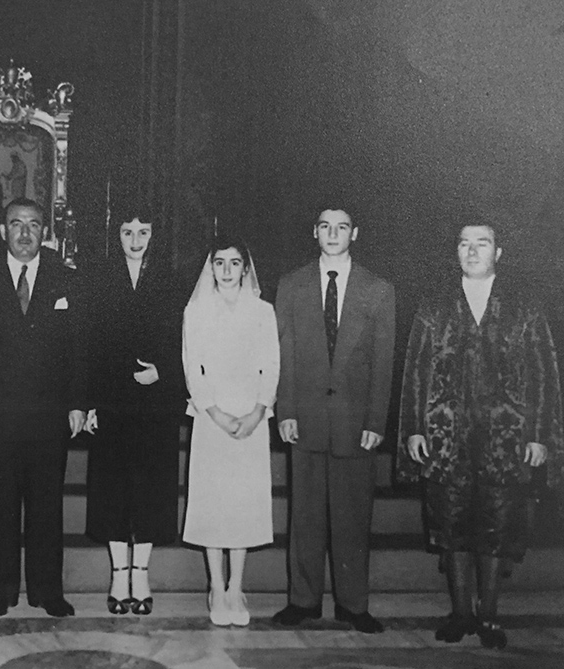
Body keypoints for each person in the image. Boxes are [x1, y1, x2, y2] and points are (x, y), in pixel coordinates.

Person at [397, 220, 563, 649]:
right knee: (450, 526)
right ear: (455, 252)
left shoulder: (524, 307)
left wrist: (540, 436)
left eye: (482, 243)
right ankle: (461, 614)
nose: (472, 252)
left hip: (505, 440)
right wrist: (414, 429)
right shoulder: (433, 306)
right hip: (444, 438)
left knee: (495, 526)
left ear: (498, 253)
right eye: (464, 244)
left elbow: (545, 376)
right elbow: (415, 371)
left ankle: (488, 616)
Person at [0, 198, 88, 617]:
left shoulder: (66, 281)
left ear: (44, 230)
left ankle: (48, 591)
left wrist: (79, 403)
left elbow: (80, 350)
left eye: (33, 224)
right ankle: (1, 589)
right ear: (2, 231)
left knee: (47, 507)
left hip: (49, 415)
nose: (25, 233)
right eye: (16, 224)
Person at [273, 207, 395, 633]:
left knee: (352, 517)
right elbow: (284, 355)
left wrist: (376, 421)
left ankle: (353, 604)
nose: (332, 233)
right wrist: (284, 411)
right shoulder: (290, 285)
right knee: (304, 516)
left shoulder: (378, 290)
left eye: (341, 227)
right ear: (314, 231)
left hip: (354, 422)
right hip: (304, 419)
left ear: (354, 233)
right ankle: (303, 601)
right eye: (325, 226)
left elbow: (384, 363)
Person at [83, 209, 186, 616]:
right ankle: (118, 574)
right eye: (128, 232)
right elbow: (86, 341)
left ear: (154, 234)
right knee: (112, 489)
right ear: (117, 235)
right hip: (111, 400)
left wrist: (163, 371)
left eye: (144, 231)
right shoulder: (98, 279)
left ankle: (141, 573)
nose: (136, 239)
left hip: (155, 402)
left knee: (150, 488)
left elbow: (187, 340)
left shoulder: (172, 282)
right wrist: (88, 401)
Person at [182, 235, 278, 627]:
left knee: (243, 504)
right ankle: (216, 586)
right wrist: (217, 414)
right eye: (219, 263)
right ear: (211, 267)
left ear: (245, 267)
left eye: (234, 263)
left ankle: (238, 586)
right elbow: (192, 367)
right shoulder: (197, 311)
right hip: (211, 419)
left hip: (252, 420)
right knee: (213, 501)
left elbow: (271, 364)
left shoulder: (263, 311)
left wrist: (257, 412)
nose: (226, 271)